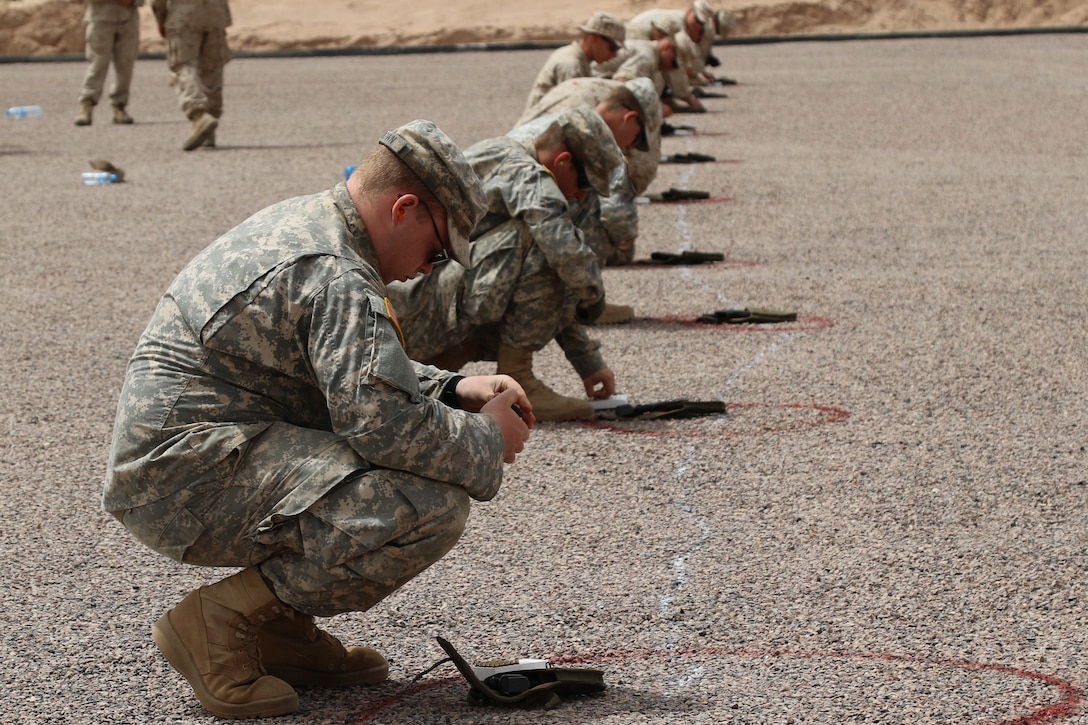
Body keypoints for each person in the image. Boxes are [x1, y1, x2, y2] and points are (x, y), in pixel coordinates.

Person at [103, 119, 534, 719]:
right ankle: (216, 621)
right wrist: (487, 438)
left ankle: (275, 630)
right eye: (437, 252)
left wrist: (456, 387)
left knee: (388, 473)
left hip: (193, 452)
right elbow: (384, 426)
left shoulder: (314, 227)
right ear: (405, 208)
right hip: (182, 474)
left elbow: (347, 374)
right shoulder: (336, 270)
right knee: (423, 504)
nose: (428, 270)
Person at [387, 107, 624, 421]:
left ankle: (444, 370)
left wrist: (588, 361)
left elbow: (551, 285)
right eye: (585, 183)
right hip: (408, 314)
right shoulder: (523, 171)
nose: (582, 196)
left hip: (422, 310)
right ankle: (517, 376)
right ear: (563, 160)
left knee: (545, 250)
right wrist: (594, 298)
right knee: (543, 242)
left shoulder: (512, 160)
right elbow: (563, 254)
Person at [517, 77, 664, 272]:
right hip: (533, 235)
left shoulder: (558, 120)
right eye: (636, 139)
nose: (630, 147)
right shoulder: (604, 148)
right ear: (629, 119)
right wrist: (626, 244)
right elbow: (616, 214)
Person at [151, 0, 232, 150]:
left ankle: (199, 115)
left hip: (184, 14)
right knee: (212, 68)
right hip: (215, 14)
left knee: (182, 66)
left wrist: (161, 18)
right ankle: (210, 127)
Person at [523, 11, 626, 114]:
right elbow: (571, 113)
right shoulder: (571, 64)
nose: (615, 55)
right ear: (595, 38)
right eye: (613, 47)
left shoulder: (578, 58)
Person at [74, 0, 144, 126]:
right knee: (97, 65)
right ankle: (87, 105)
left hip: (128, 19)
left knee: (125, 66)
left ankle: (119, 106)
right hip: (101, 18)